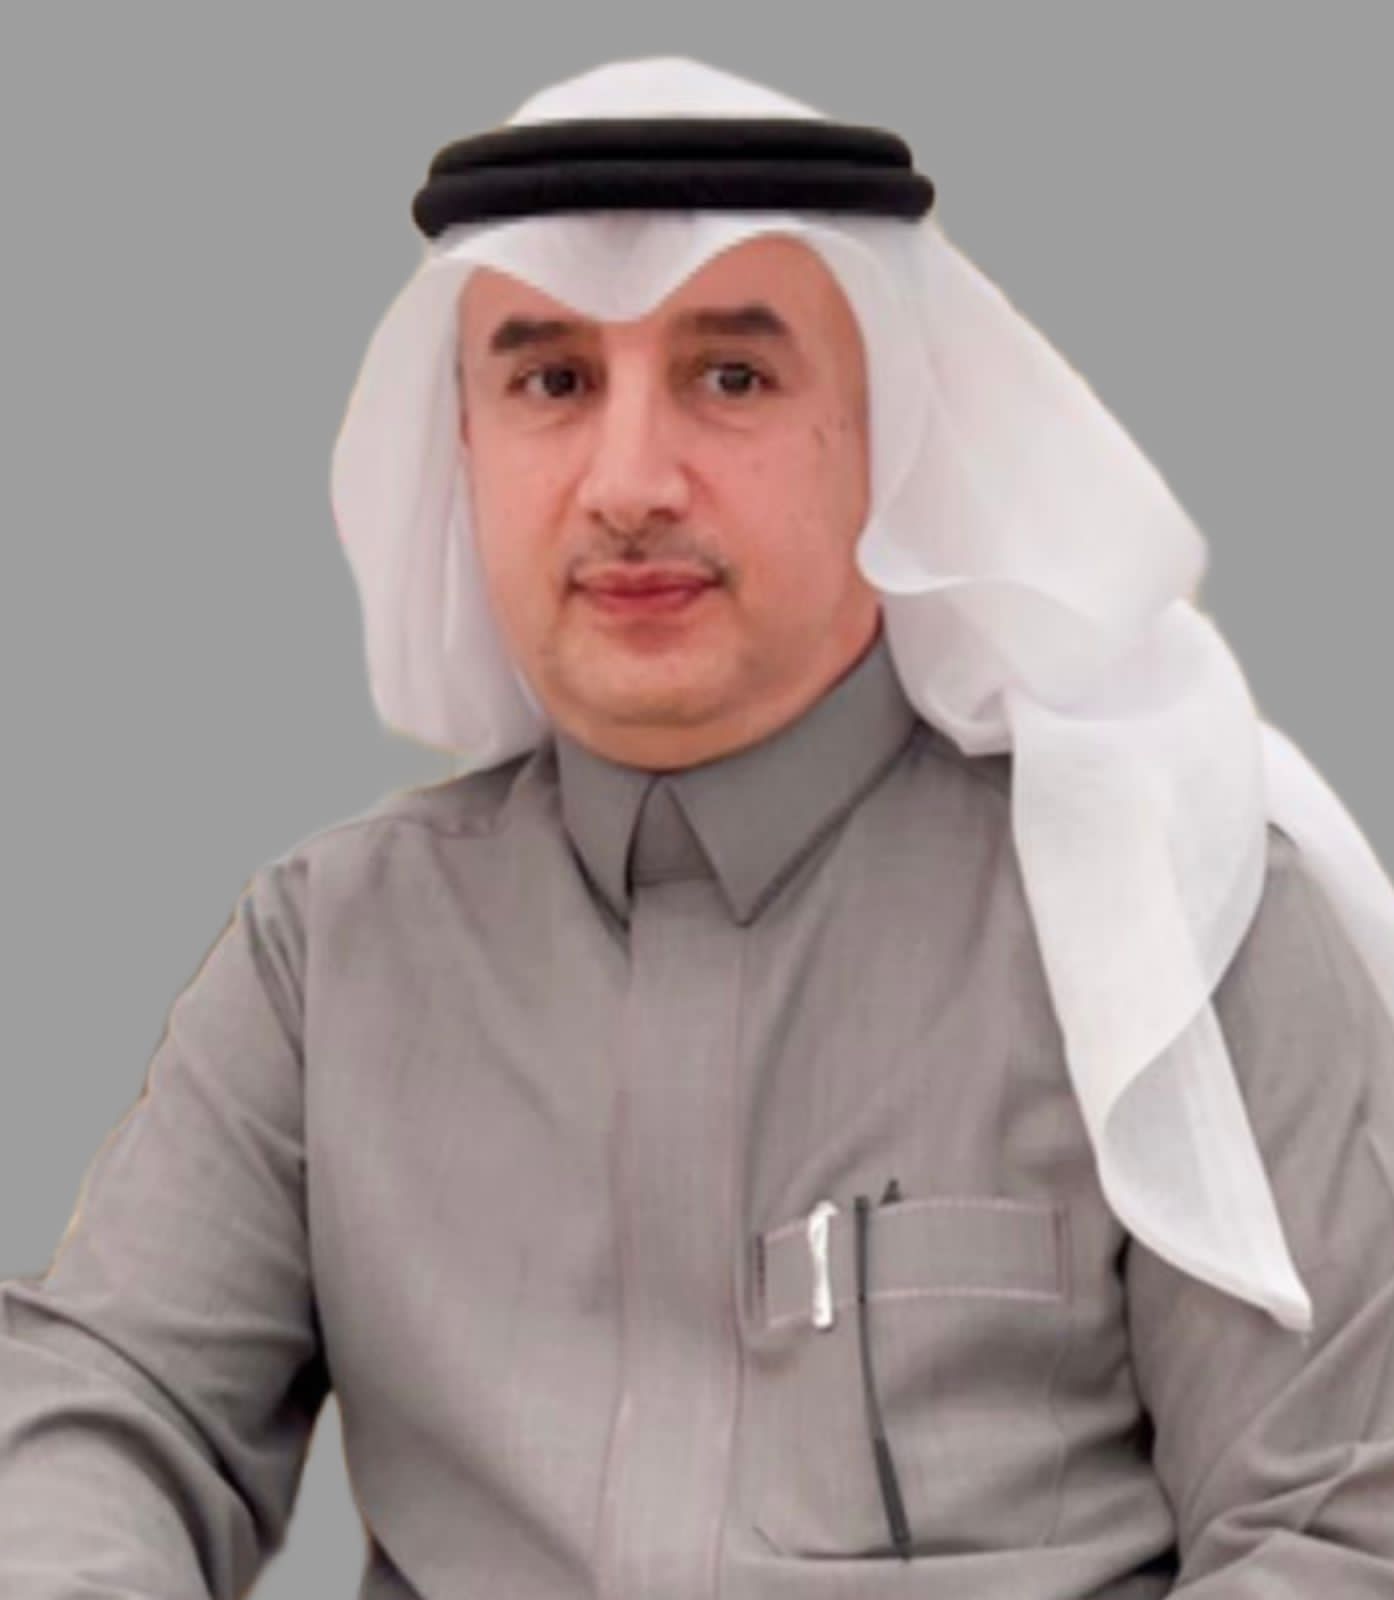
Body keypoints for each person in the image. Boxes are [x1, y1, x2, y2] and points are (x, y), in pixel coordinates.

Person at [2, 53, 1392, 1600]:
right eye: (551, 383)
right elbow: (113, 1402)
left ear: (883, 437)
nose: (628, 483)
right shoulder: (327, 957)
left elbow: (1333, 1529)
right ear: (463, 449)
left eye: (730, 377)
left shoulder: (1163, 918)